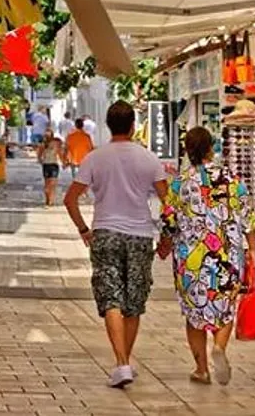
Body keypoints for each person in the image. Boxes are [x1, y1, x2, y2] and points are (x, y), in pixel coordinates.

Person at [64, 101, 170, 388]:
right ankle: (124, 362)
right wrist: (167, 240)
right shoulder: (149, 159)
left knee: (111, 298)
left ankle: (122, 363)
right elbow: (169, 204)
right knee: (133, 302)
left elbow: (70, 198)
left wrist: (84, 229)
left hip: (105, 234)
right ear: (134, 126)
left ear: (109, 125)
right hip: (140, 236)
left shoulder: (95, 158)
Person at [160, 127, 255, 386]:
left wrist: (163, 246)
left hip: (190, 260)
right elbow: (248, 218)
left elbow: (168, 221)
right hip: (228, 256)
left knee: (194, 315)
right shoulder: (232, 180)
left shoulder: (179, 184)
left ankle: (202, 369)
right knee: (225, 309)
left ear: (187, 150)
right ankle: (220, 348)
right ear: (211, 149)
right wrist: (253, 251)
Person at [36, 130, 65, 206]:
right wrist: (64, 162)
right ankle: (50, 200)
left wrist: (41, 161)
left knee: (47, 184)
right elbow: (60, 154)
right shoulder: (55, 144)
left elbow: (39, 156)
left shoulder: (42, 145)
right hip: (53, 165)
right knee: (52, 184)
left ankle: (48, 200)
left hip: (46, 165)